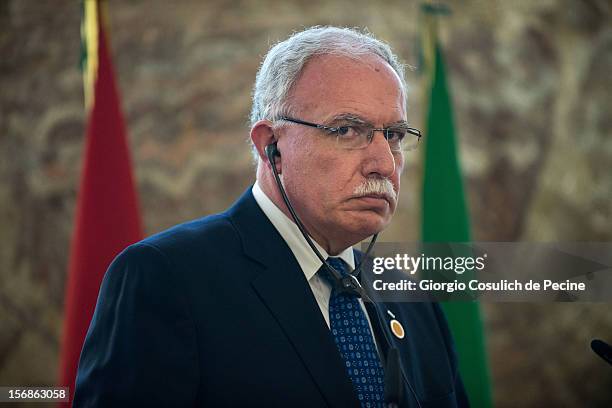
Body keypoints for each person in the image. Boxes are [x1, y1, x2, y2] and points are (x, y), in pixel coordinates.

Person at [74, 26, 469, 407]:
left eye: (395, 135)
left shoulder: (414, 301)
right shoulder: (165, 279)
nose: (384, 163)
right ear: (271, 146)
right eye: (348, 130)